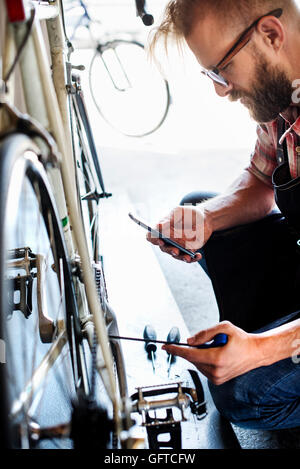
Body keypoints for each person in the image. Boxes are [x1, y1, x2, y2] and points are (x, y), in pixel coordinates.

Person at [147, 0, 300, 430]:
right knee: (199, 204)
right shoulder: (284, 95)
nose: (221, 89)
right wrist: (206, 219)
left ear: (270, 34)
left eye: (222, 70)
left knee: (243, 393)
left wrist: (262, 351)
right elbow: (259, 181)